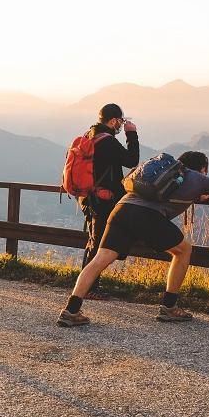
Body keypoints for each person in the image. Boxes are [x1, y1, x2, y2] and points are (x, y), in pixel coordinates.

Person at [58, 151, 209, 326]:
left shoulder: (166, 174)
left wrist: (197, 196)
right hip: (147, 217)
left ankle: (71, 310)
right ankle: (169, 307)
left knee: (100, 259)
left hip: (121, 210)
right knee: (183, 250)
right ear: (202, 168)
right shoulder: (199, 178)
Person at [78, 103, 140, 298]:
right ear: (113, 121)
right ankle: (88, 289)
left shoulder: (90, 134)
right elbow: (131, 160)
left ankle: (89, 286)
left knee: (94, 242)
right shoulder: (108, 141)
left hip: (88, 197)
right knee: (97, 245)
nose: (121, 125)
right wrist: (132, 135)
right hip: (102, 200)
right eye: (121, 121)